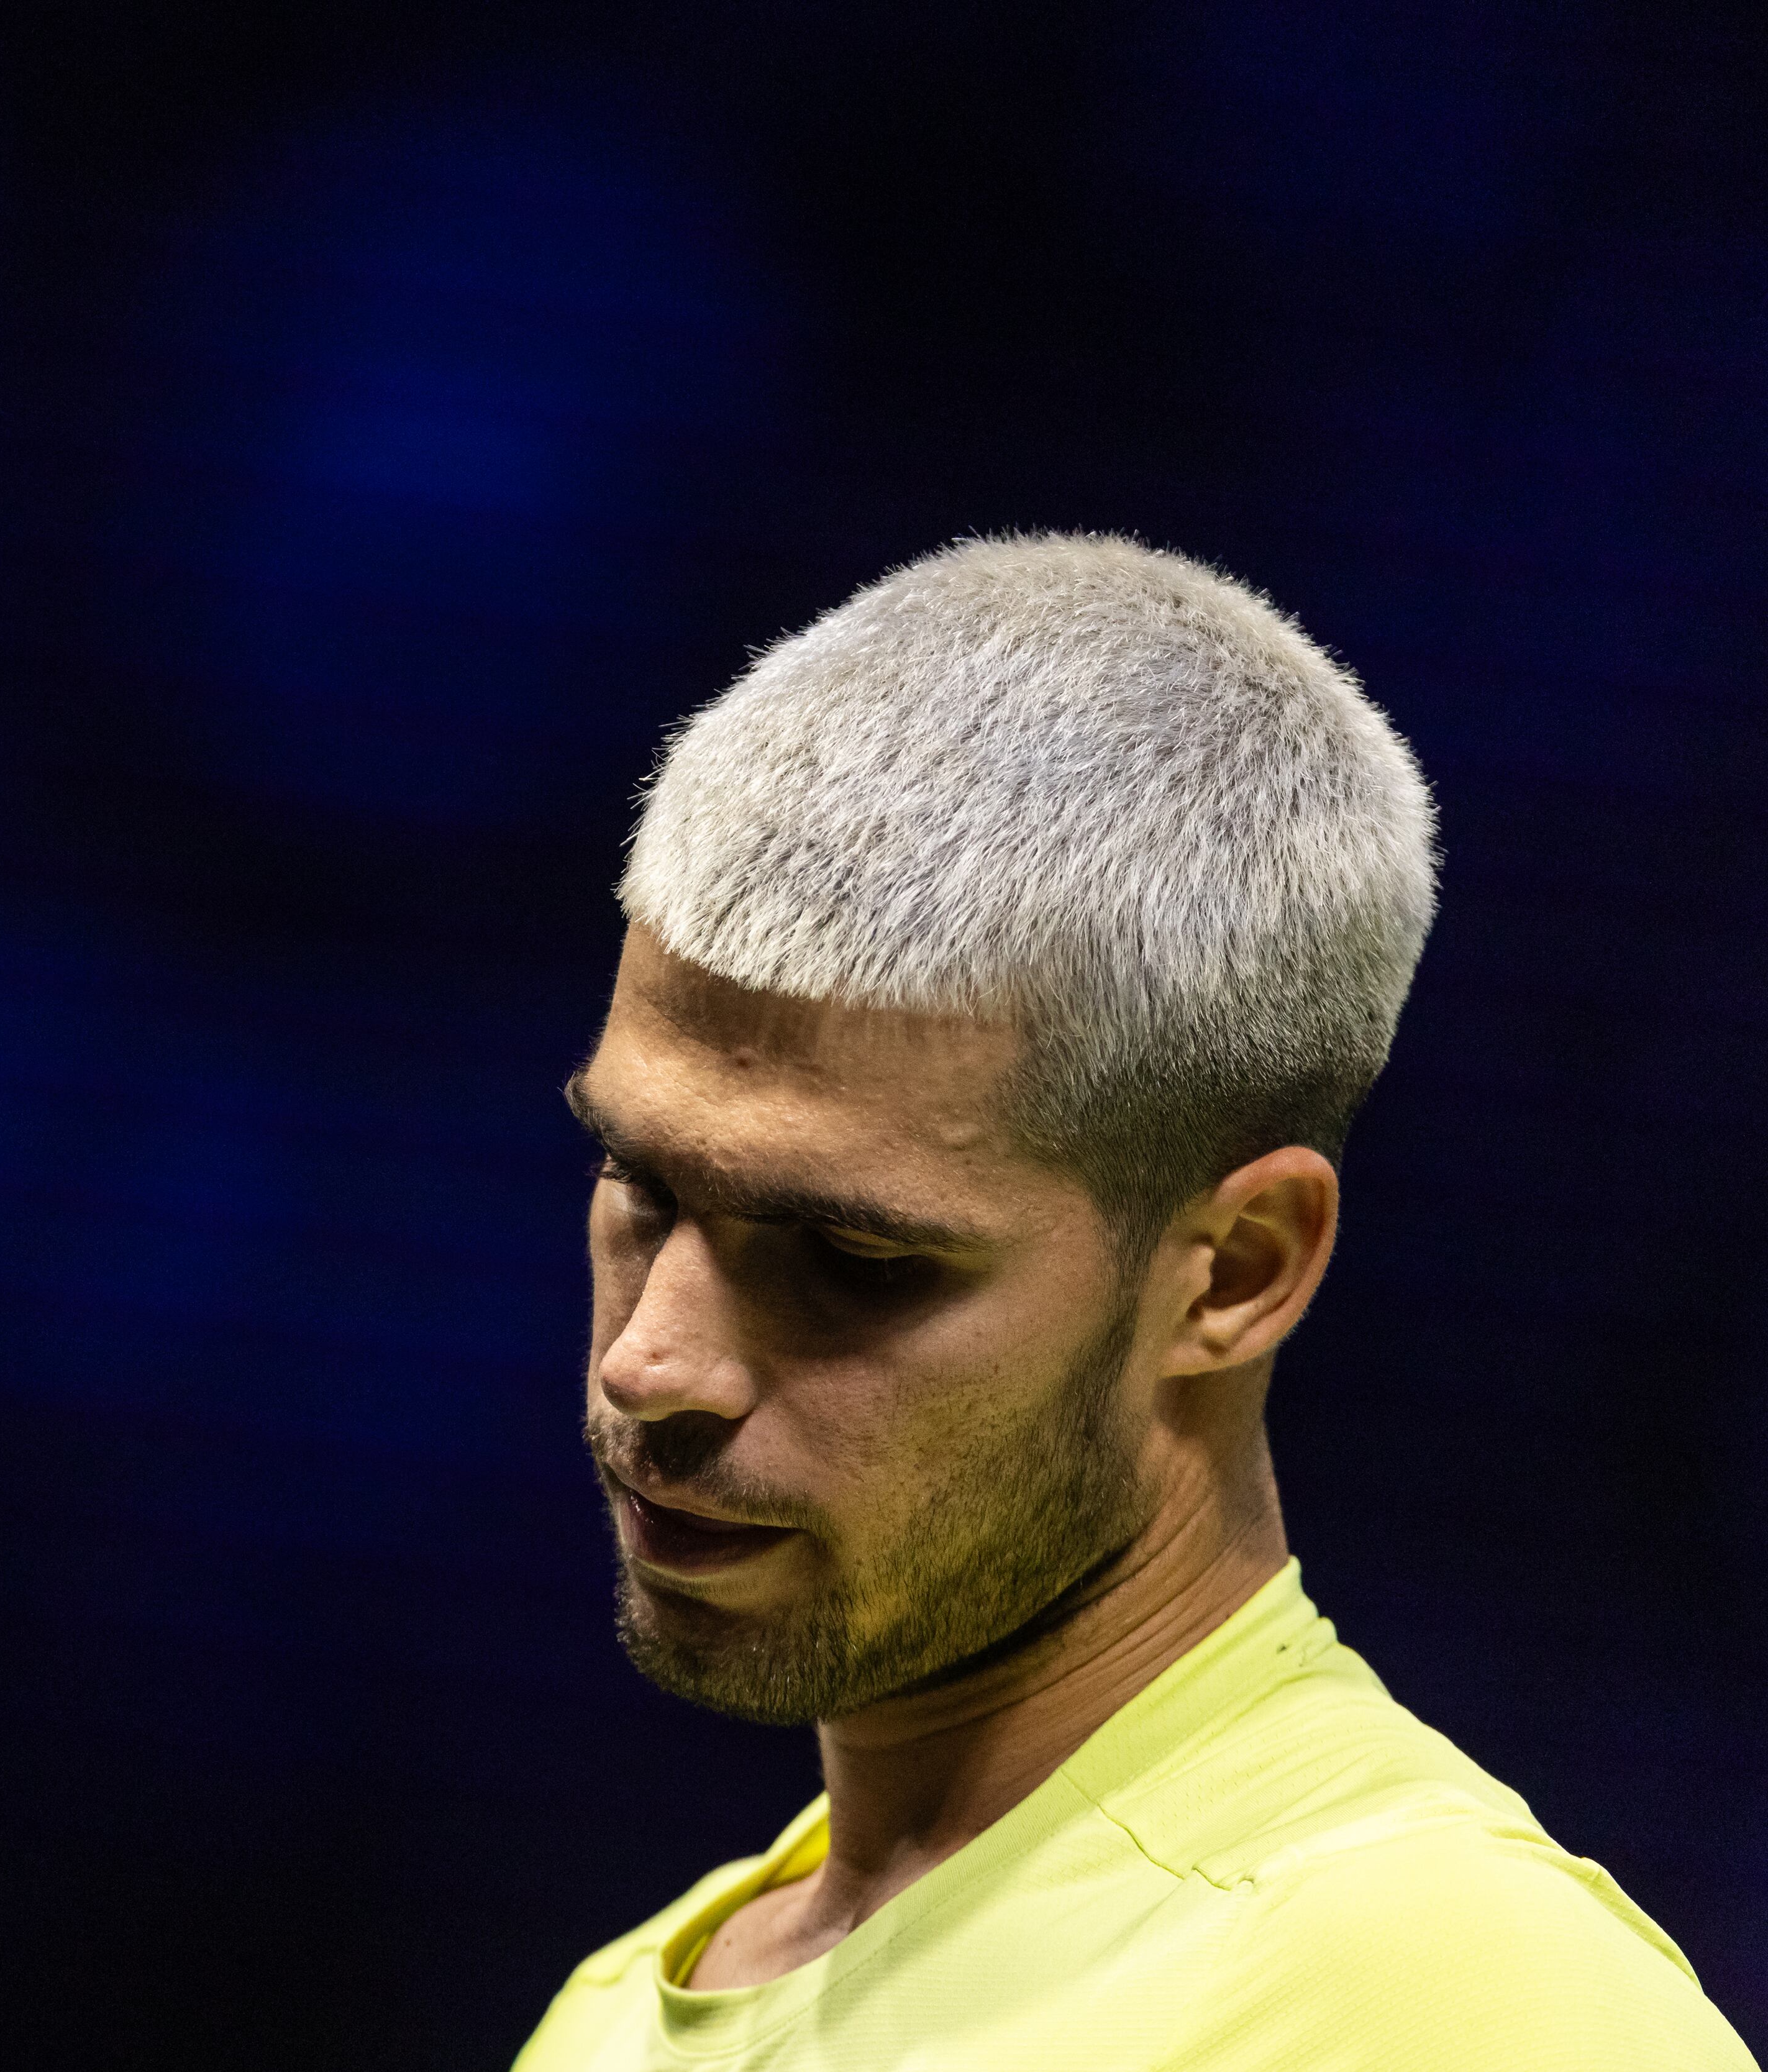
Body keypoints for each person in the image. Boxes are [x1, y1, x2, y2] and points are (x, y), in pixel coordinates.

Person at [517, 536, 1755, 2070]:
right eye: (641, 1181)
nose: (652, 1364)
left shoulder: (1453, 1998)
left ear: (1236, 1271)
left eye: (857, 1259)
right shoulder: (612, 2015)